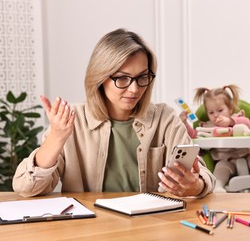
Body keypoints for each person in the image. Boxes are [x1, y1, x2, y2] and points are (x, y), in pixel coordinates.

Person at [12, 28, 215, 198]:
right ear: (100, 78)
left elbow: (205, 177)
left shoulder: (165, 118)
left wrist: (195, 185)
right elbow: (25, 188)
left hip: (152, 226)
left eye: (142, 77)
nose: (134, 89)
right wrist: (56, 138)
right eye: (122, 78)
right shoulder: (72, 120)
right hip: (93, 228)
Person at [180, 85, 250, 192]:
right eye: (211, 112)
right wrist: (184, 123)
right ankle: (218, 185)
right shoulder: (207, 127)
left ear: (230, 109)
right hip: (227, 161)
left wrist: (230, 121)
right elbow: (194, 136)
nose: (216, 115)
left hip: (249, 157)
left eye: (220, 110)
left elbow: (247, 123)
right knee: (221, 166)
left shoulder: (237, 118)